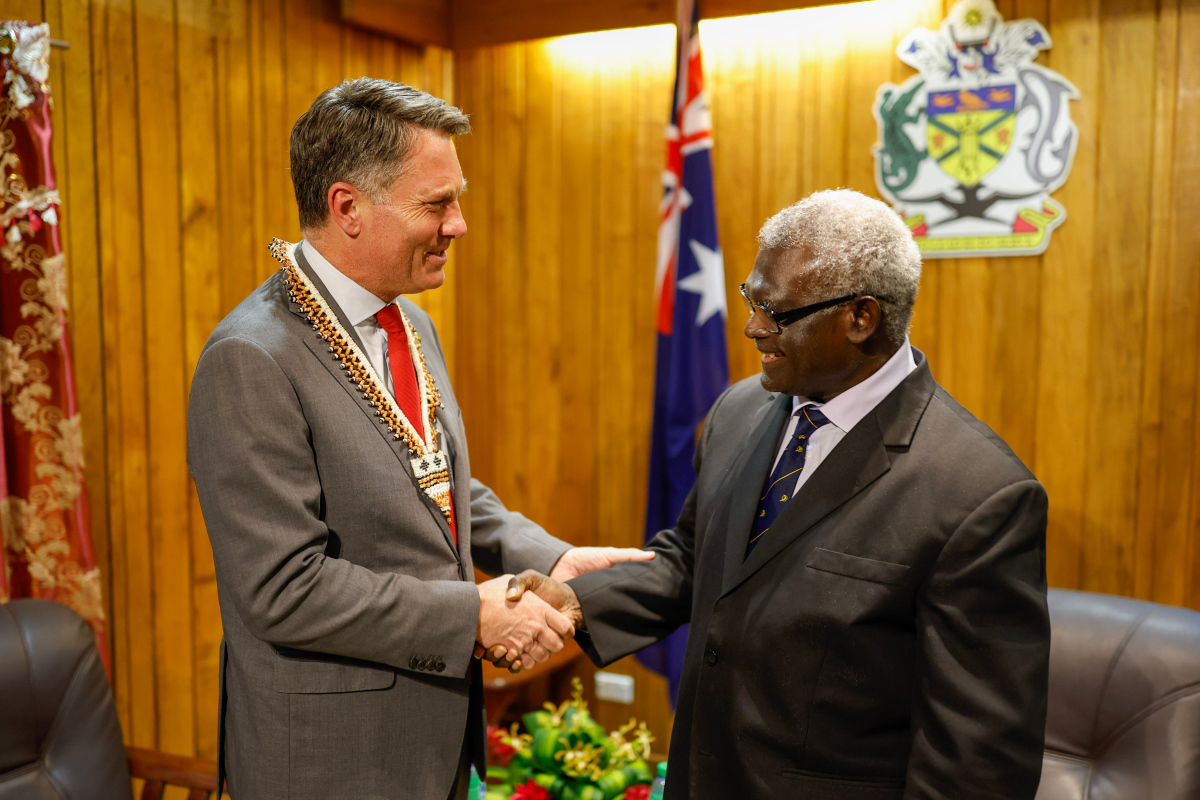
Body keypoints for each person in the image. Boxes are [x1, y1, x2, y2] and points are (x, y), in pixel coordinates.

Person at [186, 78, 651, 800]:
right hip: (327, 762)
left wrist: (547, 557)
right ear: (348, 208)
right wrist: (474, 613)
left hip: (429, 735)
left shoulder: (408, 322)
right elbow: (281, 588)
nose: (460, 223)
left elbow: (432, 484)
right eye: (437, 204)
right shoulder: (250, 358)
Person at [508, 189, 1050, 800]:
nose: (752, 326)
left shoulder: (980, 494)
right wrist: (574, 602)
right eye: (749, 298)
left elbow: (977, 762)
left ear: (860, 317)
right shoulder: (741, 409)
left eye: (778, 311)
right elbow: (694, 557)